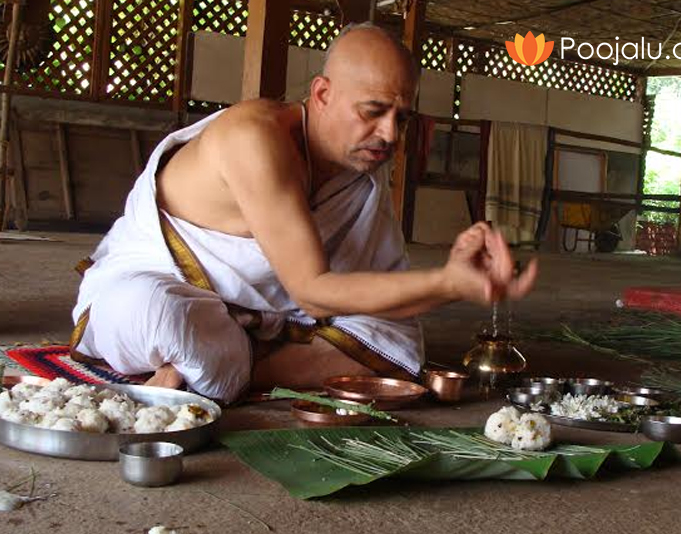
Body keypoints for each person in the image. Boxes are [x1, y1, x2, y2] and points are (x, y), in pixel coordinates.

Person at [70, 22, 538, 404]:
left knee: (396, 344)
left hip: (269, 315)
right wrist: (447, 283)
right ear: (321, 94)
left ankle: (226, 362)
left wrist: (458, 278)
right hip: (160, 285)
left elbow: (368, 291)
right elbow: (315, 293)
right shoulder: (254, 137)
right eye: (373, 111)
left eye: (403, 118)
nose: (390, 134)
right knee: (163, 315)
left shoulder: (360, 168)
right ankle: (222, 358)